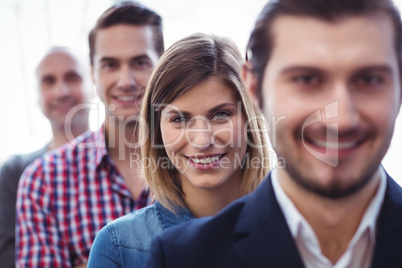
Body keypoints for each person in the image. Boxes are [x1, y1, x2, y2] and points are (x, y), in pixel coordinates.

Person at [146, 0, 402, 267]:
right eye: (306, 79)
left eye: (370, 79)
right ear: (254, 87)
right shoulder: (181, 258)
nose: (341, 120)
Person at [86, 33, 269, 268]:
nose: (202, 140)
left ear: (250, 120)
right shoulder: (118, 247)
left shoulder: (298, 229)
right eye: (179, 119)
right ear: (157, 129)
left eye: (221, 114)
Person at [16, 2, 164, 267]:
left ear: (163, 67)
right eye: (110, 65)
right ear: (93, 74)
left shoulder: (195, 163)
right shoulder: (44, 181)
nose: (126, 80)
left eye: (140, 62)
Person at [0, 46, 92, 268]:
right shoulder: (15, 173)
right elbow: (7, 258)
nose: (62, 91)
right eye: (49, 81)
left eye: (72, 78)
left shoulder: (123, 163)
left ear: (92, 85)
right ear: (37, 96)